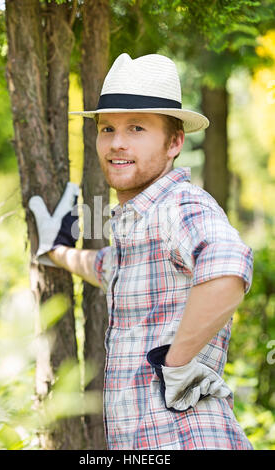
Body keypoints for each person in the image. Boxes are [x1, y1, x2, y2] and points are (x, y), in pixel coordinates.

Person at [29, 53, 254, 450]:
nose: (117, 142)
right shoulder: (140, 226)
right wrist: (56, 251)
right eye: (107, 128)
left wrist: (176, 363)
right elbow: (108, 267)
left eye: (136, 128)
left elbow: (228, 268)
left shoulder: (181, 206)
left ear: (174, 142)